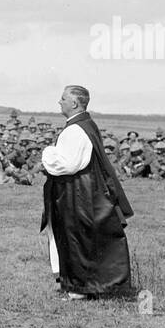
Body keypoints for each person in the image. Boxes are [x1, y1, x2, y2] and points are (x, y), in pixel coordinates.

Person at [40, 85, 134, 300]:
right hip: (84, 189)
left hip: (77, 192)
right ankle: (80, 284)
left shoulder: (75, 130)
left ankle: (79, 287)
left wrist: (48, 153)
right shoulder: (86, 124)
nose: (59, 102)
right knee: (82, 237)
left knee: (75, 237)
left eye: (63, 98)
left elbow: (69, 164)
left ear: (74, 103)